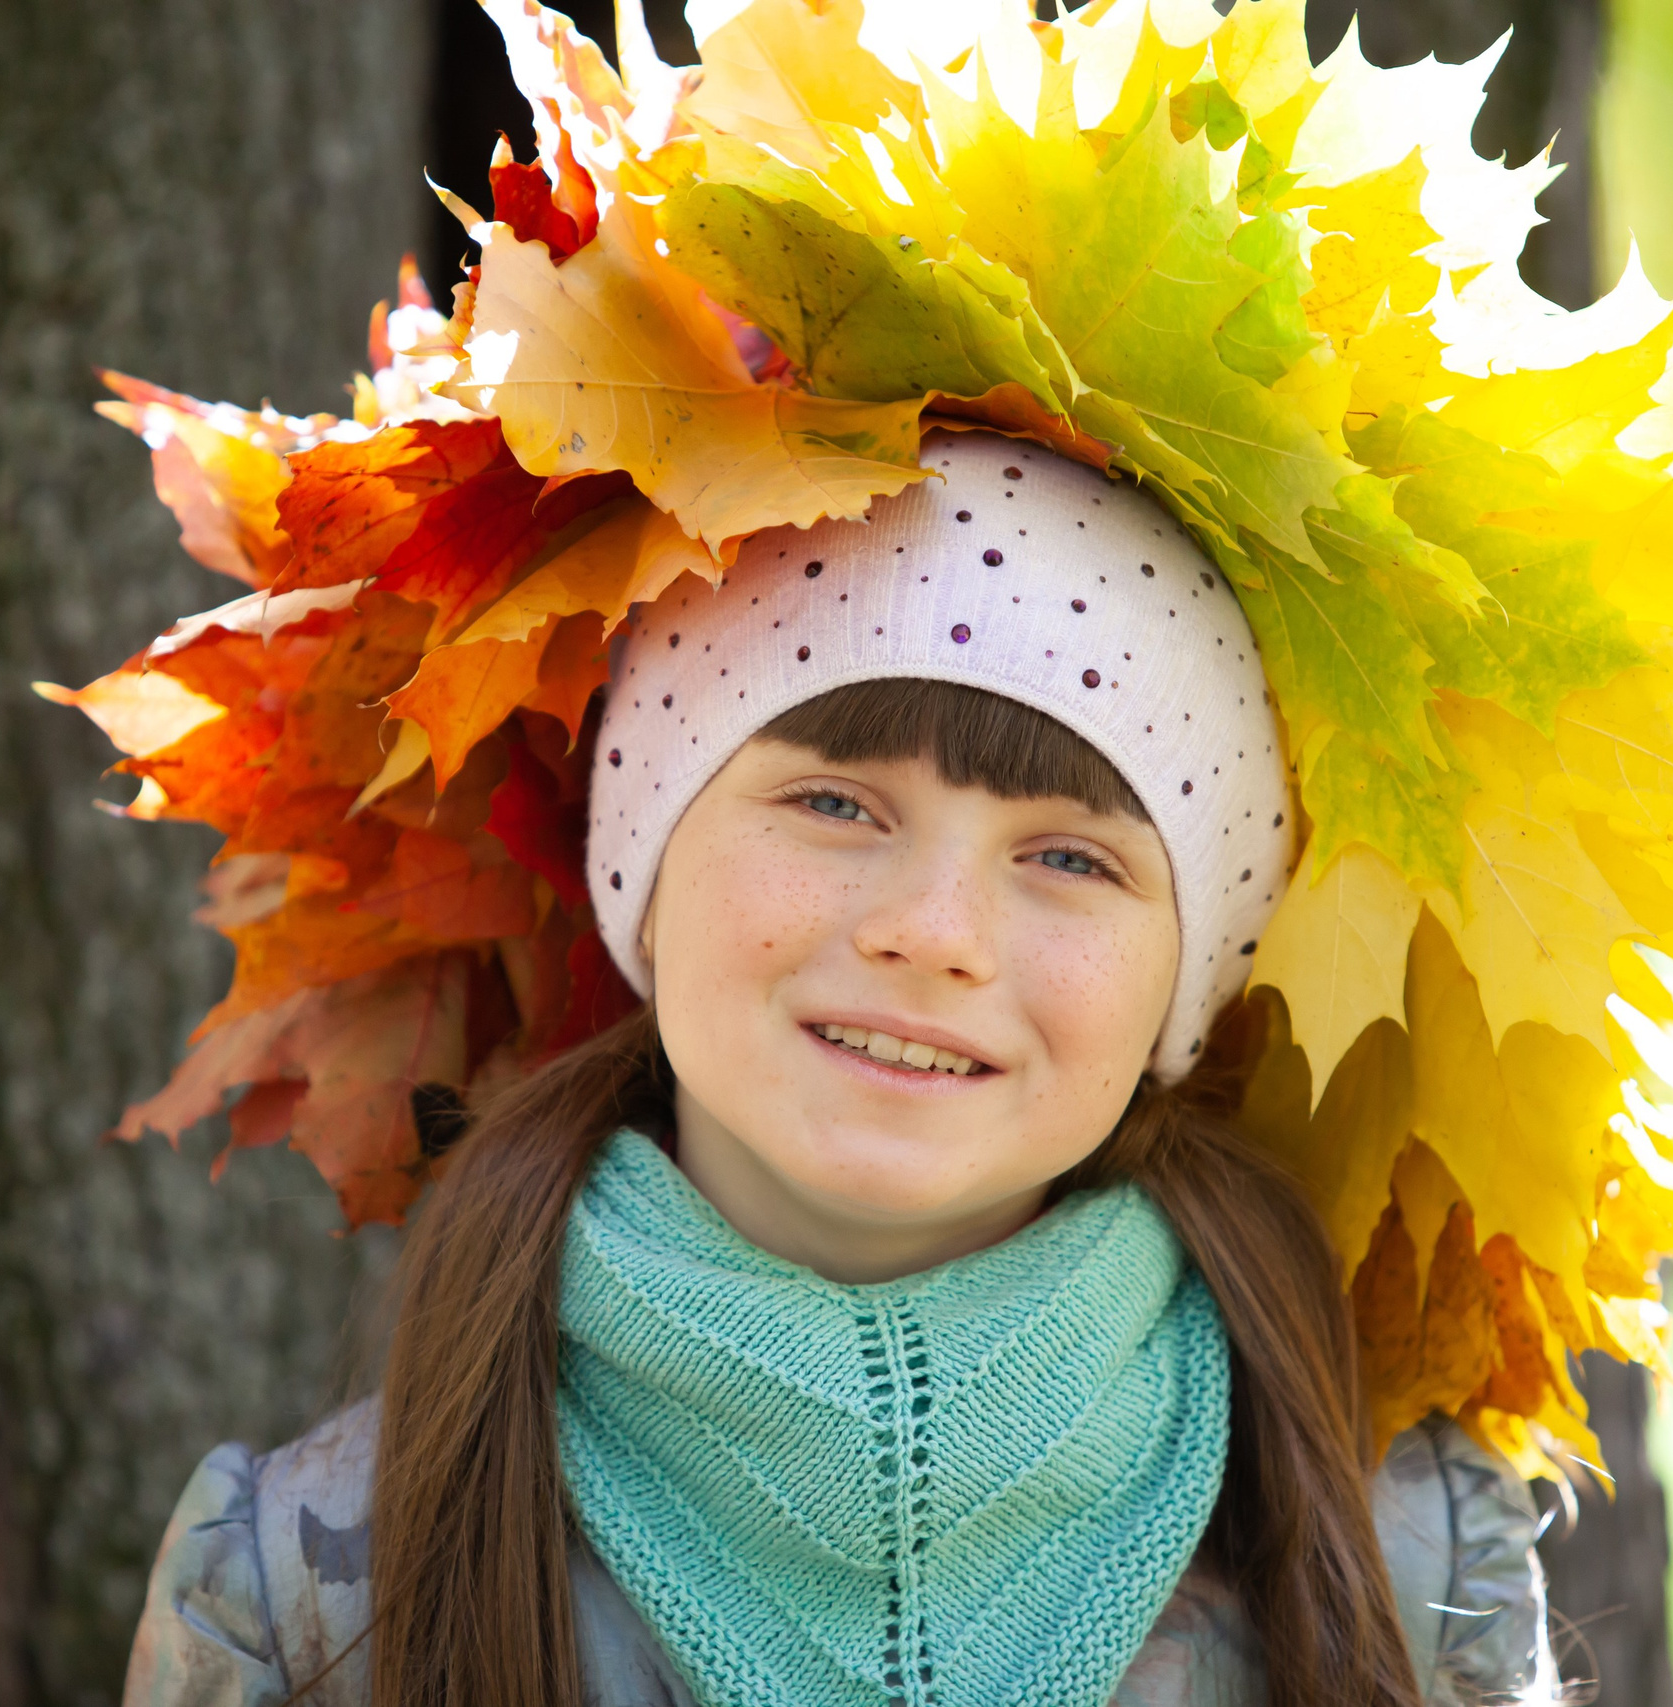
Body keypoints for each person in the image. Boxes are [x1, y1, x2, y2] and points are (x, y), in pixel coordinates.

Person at [119, 435, 1554, 1707]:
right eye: (832, 802)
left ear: (1187, 980)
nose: (933, 936)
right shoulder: (310, 1592)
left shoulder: (1405, 1570)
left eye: (1070, 856)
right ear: (648, 859)